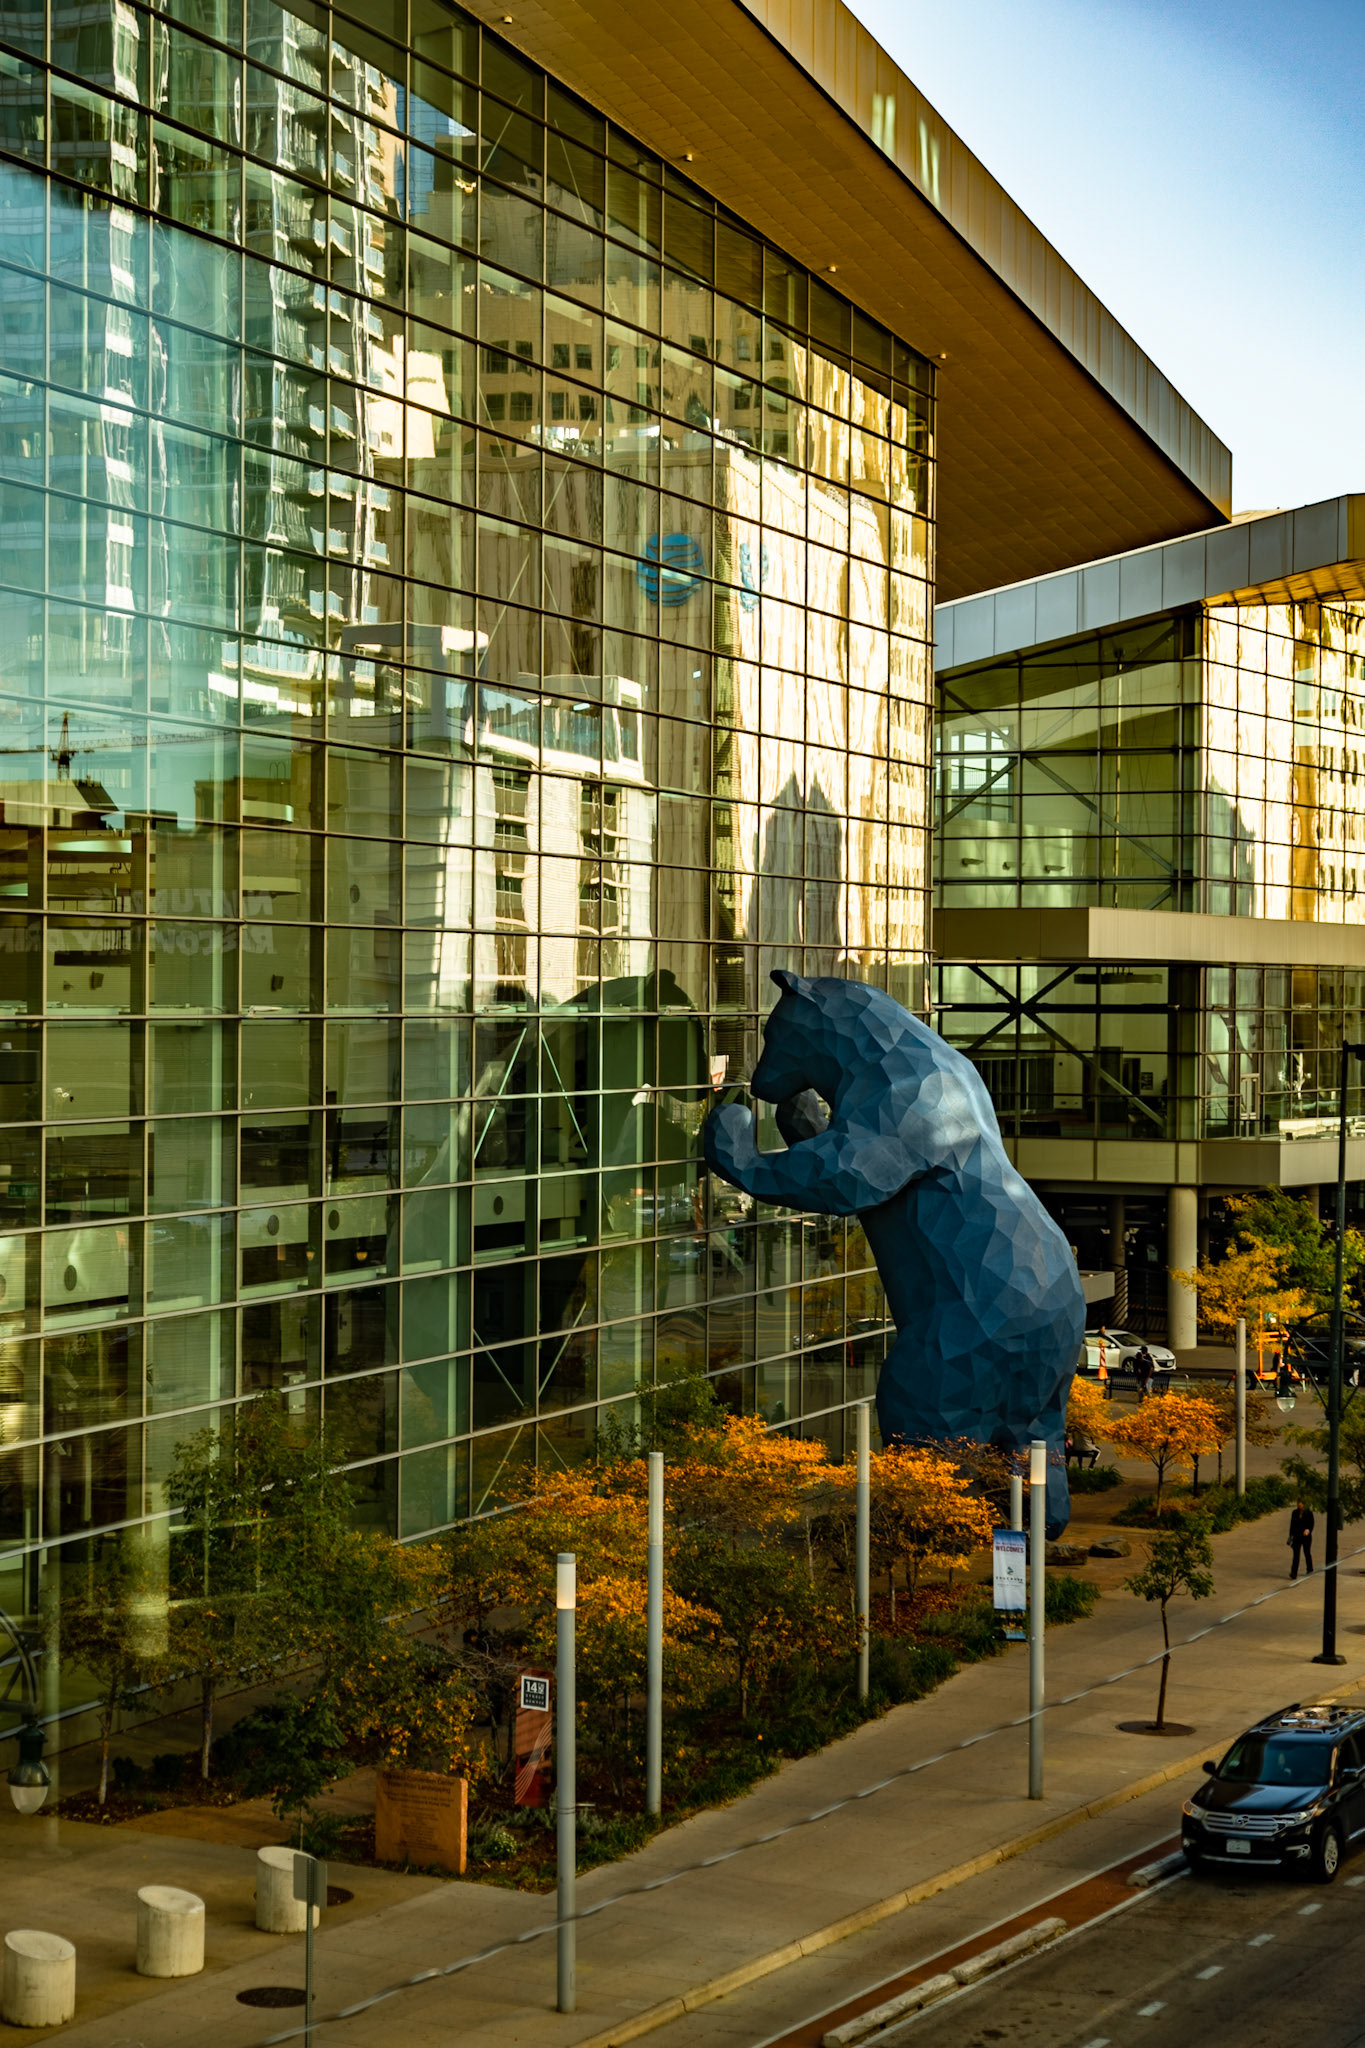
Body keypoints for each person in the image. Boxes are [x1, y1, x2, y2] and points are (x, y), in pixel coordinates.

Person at [1288, 1499, 1315, 1579]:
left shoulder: (1309, 1513)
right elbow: (1292, 1524)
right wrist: (1291, 1536)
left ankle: (1310, 1569)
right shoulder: (1294, 1512)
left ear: (1304, 1504)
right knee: (1296, 1555)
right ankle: (1294, 1573)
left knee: (1307, 1552)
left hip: (1306, 1537)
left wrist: (1308, 1530)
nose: (1299, 1505)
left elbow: (1311, 1524)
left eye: (1300, 1504)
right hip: (1296, 1536)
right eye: (1298, 1504)